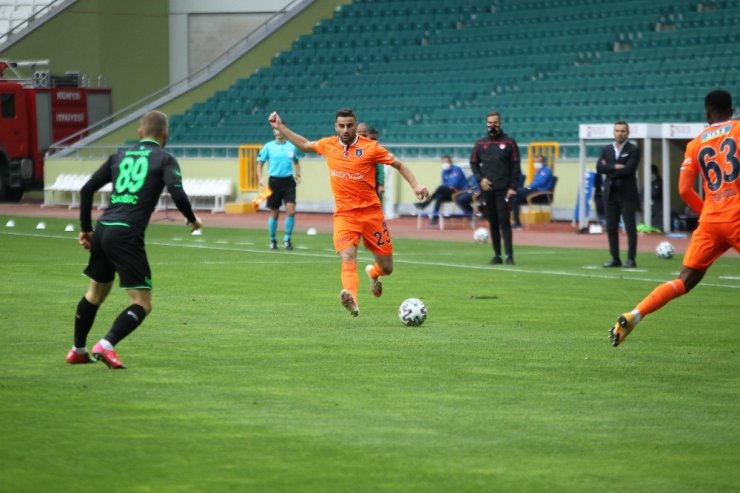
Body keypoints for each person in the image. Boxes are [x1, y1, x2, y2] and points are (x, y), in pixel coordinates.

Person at [66, 111, 202, 369]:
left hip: (104, 228)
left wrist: (86, 229)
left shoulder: (119, 156)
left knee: (95, 293)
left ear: (139, 133)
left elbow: (86, 189)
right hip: (126, 233)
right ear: (165, 135)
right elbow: (177, 192)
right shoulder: (165, 158)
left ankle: (77, 350)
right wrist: (192, 219)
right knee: (142, 303)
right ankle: (106, 345)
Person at [268, 108, 429, 317]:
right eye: (341, 126)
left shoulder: (370, 148)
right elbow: (305, 144)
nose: (345, 130)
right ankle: (351, 298)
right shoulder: (328, 145)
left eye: (349, 125)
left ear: (356, 125)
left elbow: (398, 164)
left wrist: (416, 185)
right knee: (348, 258)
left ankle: (374, 273)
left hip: (372, 215)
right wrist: (281, 127)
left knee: (387, 268)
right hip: (345, 216)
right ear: (336, 127)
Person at [609, 89, 740, 347]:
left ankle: (636, 313)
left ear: (707, 112)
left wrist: (706, 211)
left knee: (683, 281)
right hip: (736, 215)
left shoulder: (695, 143)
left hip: (710, 221)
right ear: (731, 109)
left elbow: (683, 190)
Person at [470, 111, 521, 264]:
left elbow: (516, 166)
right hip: (488, 190)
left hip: (504, 190)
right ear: (486, 124)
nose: (492, 125)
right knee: (492, 222)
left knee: (504, 222)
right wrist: (481, 180)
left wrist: (513, 187)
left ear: (500, 123)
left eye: (495, 122)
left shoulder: (510, 142)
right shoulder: (480, 143)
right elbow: (473, 163)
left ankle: (510, 256)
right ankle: (497, 255)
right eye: (490, 122)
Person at [597, 121, 641, 268]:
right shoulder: (607, 149)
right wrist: (615, 167)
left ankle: (631, 259)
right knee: (611, 228)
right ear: (613, 132)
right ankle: (615, 258)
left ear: (628, 133)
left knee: (630, 228)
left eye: (623, 131)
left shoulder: (633, 149)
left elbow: (629, 169)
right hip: (610, 194)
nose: (620, 133)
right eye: (617, 131)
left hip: (627, 195)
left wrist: (609, 170)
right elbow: (599, 168)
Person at [257, 126, 302, 250]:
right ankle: (273, 240)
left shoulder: (291, 146)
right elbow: (260, 163)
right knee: (274, 214)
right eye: (276, 130)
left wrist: (298, 174)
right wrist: (260, 178)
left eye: (280, 130)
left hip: (288, 181)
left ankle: (287, 239)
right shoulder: (268, 147)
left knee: (291, 211)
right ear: (274, 132)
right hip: (274, 182)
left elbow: (296, 162)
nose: (278, 132)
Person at [414, 155, 469, 226]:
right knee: (439, 196)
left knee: (440, 188)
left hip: (459, 192)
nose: (445, 164)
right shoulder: (444, 171)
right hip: (449, 192)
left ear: (451, 162)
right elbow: (445, 184)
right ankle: (434, 220)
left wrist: (448, 186)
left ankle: (425, 204)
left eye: (446, 162)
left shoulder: (457, 169)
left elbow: (455, 184)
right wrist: (447, 186)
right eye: (443, 162)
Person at [511, 154, 555, 229]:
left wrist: (529, 187)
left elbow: (540, 183)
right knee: (515, 200)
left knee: (515, 191)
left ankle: (507, 194)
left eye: (538, 161)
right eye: (535, 161)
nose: (536, 163)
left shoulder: (546, 171)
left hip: (541, 194)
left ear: (543, 162)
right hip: (533, 191)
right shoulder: (538, 171)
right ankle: (517, 223)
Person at [357, 122, 385, 202]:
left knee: (375, 207)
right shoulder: (351, 146)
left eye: (364, 131)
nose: (362, 133)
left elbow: (380, 167)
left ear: (367, 133)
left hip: (372, 184)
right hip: (357, 186)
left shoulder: (373, 147)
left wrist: (381, 184)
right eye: (359, 132)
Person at [650, 164, 663, 231]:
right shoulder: (648, 183)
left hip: (659, 206)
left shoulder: (660, 183)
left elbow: (655, 193)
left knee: (657, 222)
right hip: (650, 207)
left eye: (652, 173)